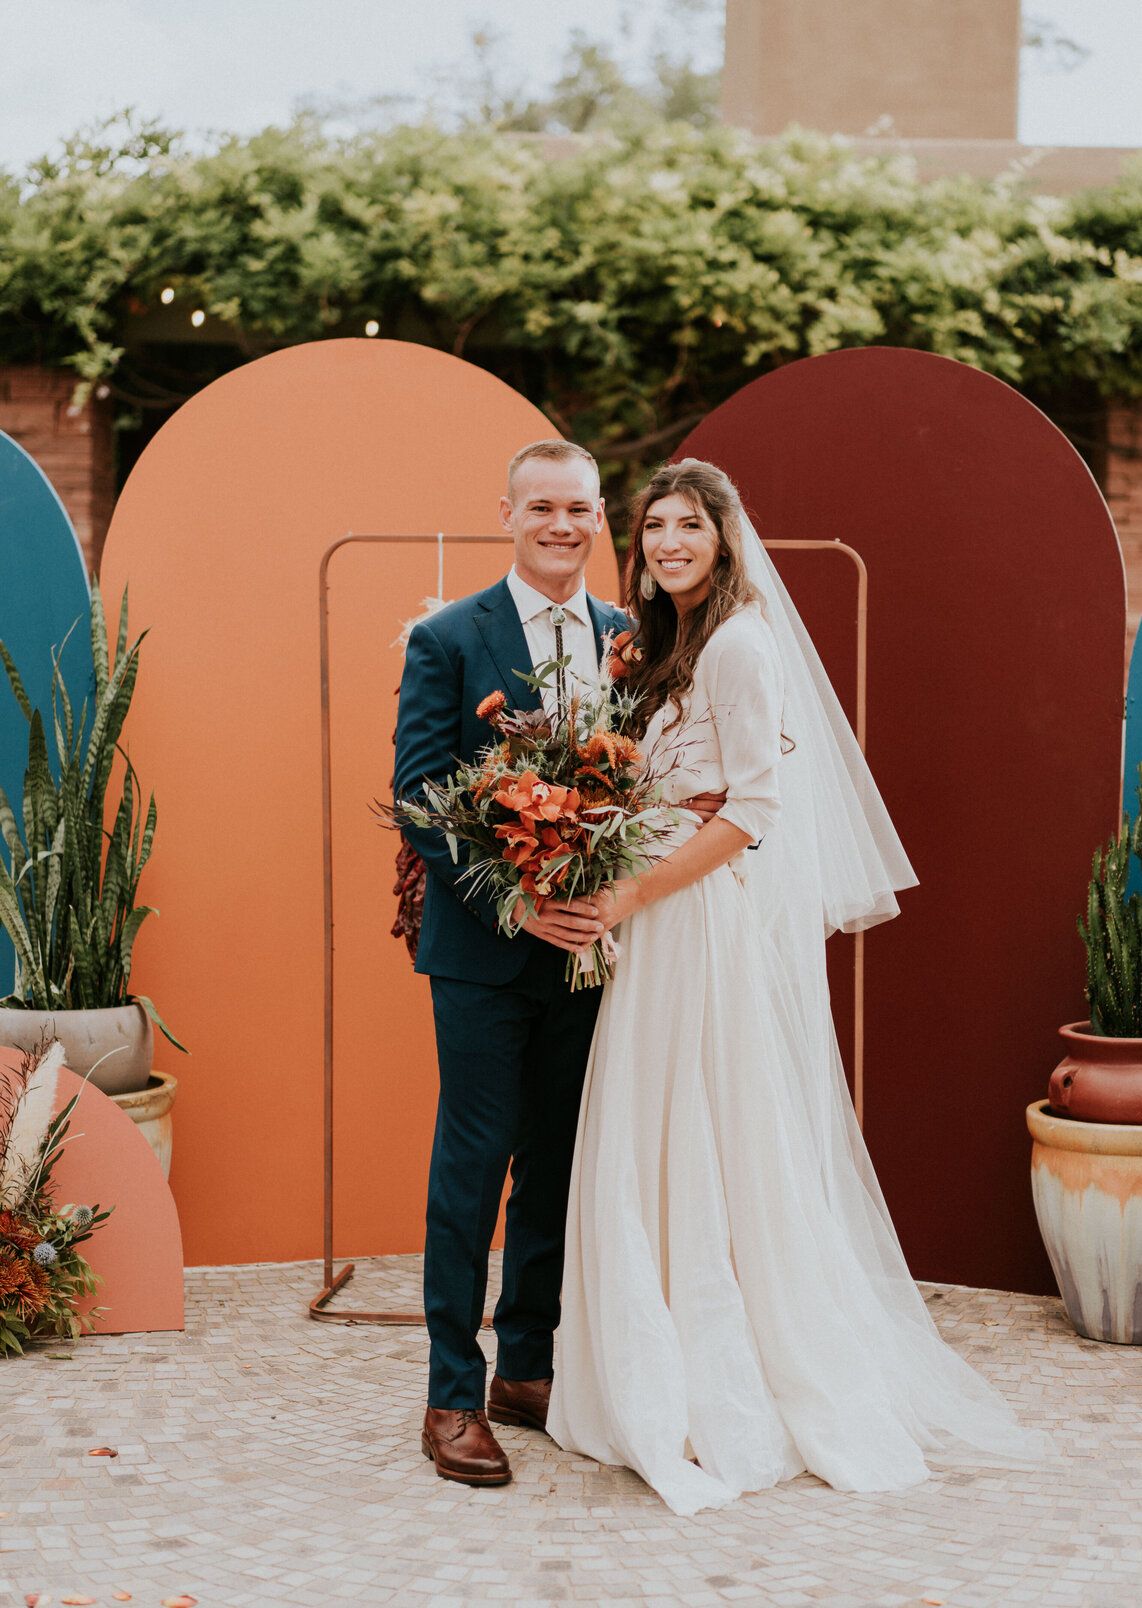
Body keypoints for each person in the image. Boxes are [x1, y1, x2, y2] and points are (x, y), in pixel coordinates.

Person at [546, 458, 1046, 1515]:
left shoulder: (738, 642)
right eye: (652, 529)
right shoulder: (664, 650)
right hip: (654, 926)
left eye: (689, 525)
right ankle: (646, 1356)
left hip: (693, 923)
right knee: (652, 1125)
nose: (668, 543)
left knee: (710, 1131)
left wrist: (629, 896)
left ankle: (722, 1378)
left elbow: (752, 813)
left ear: (725, 538)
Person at [393, 440, 726, 1488]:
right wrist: (521, 901)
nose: (561, 525)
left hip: (595, 955)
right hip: (487, 956)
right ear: (507, 512)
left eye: (580, 509)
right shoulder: (447, 637)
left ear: (598, 520)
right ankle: (453, 1392)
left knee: (560, 1161)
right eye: (541, 506)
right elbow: (418, 798)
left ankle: (525, 1368)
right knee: (475, 1161)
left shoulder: (635, 638)